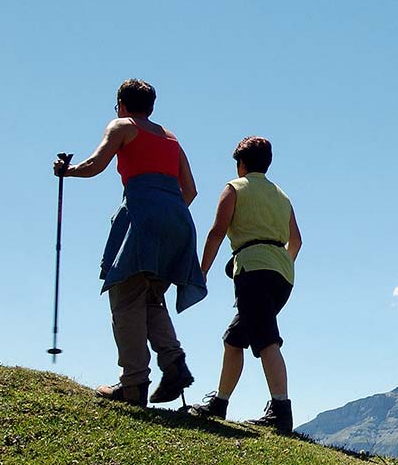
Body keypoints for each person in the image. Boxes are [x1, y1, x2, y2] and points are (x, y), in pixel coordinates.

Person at [54, 79, 206, 407]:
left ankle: (134, 385)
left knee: (125, 298)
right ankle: (174, 364)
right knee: (151, 299)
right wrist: (166, 212)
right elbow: (191, 190)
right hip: (179, 221)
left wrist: (67, 171)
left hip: (144, 216)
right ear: (151, 106)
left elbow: (96, 165)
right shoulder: (171, 139)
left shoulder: (123, 125)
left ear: (122, 104)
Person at [188, 136, 301, 434]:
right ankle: (220, 403)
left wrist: (202, 271)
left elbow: (216, 232)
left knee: (266, 339)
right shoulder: (281, 196)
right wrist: (280, 263)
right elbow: (297, 241)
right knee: (234, 338)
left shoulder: (235, 188)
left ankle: (280, 412)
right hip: (282, 273)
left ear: (241, 164)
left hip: (253, 270)